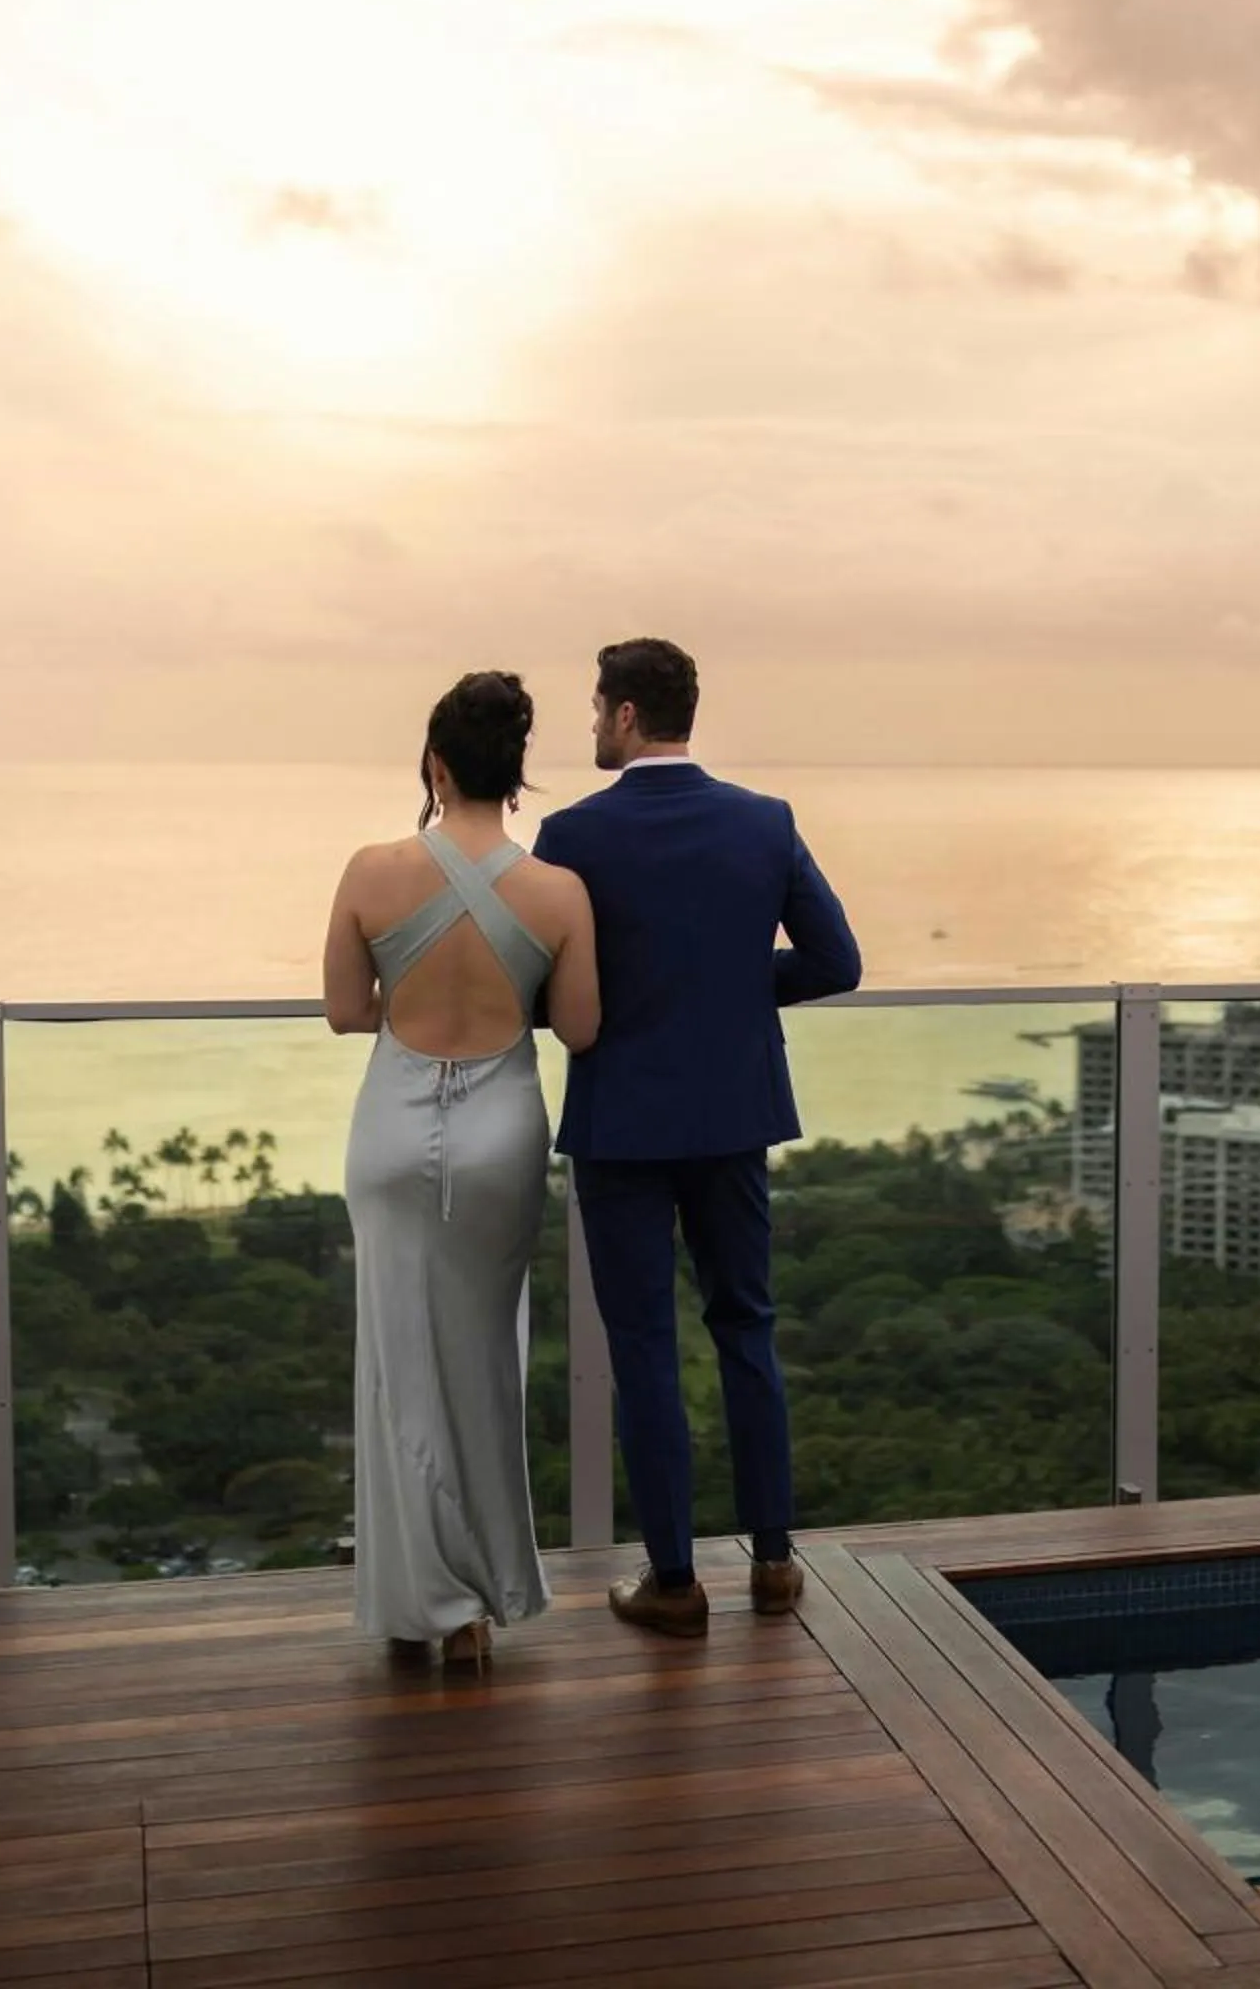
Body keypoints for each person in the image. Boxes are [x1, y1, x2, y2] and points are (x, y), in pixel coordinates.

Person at [536, 637, 860, 1636]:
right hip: (732, 1115)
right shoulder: (763, 822)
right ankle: (773, 1562)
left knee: (644, 1349)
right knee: (746, 1329)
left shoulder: (572, 833)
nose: (591, 725)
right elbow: (835, 961)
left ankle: (674, 1581)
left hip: (623, 1123)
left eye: (596, 708)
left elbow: (541, 983)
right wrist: (729, 989)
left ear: (628, 715)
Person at [323, 671, 600, 1667]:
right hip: (500, 1132)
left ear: (435, 766)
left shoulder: (371, 869)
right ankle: (479, 1602)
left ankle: (417, 1602)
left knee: (398, 1366)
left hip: (392, 1130)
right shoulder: (558, 890)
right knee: (485, 1360)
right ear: (515, 775)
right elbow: (580, 1025)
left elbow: (349, 1011)